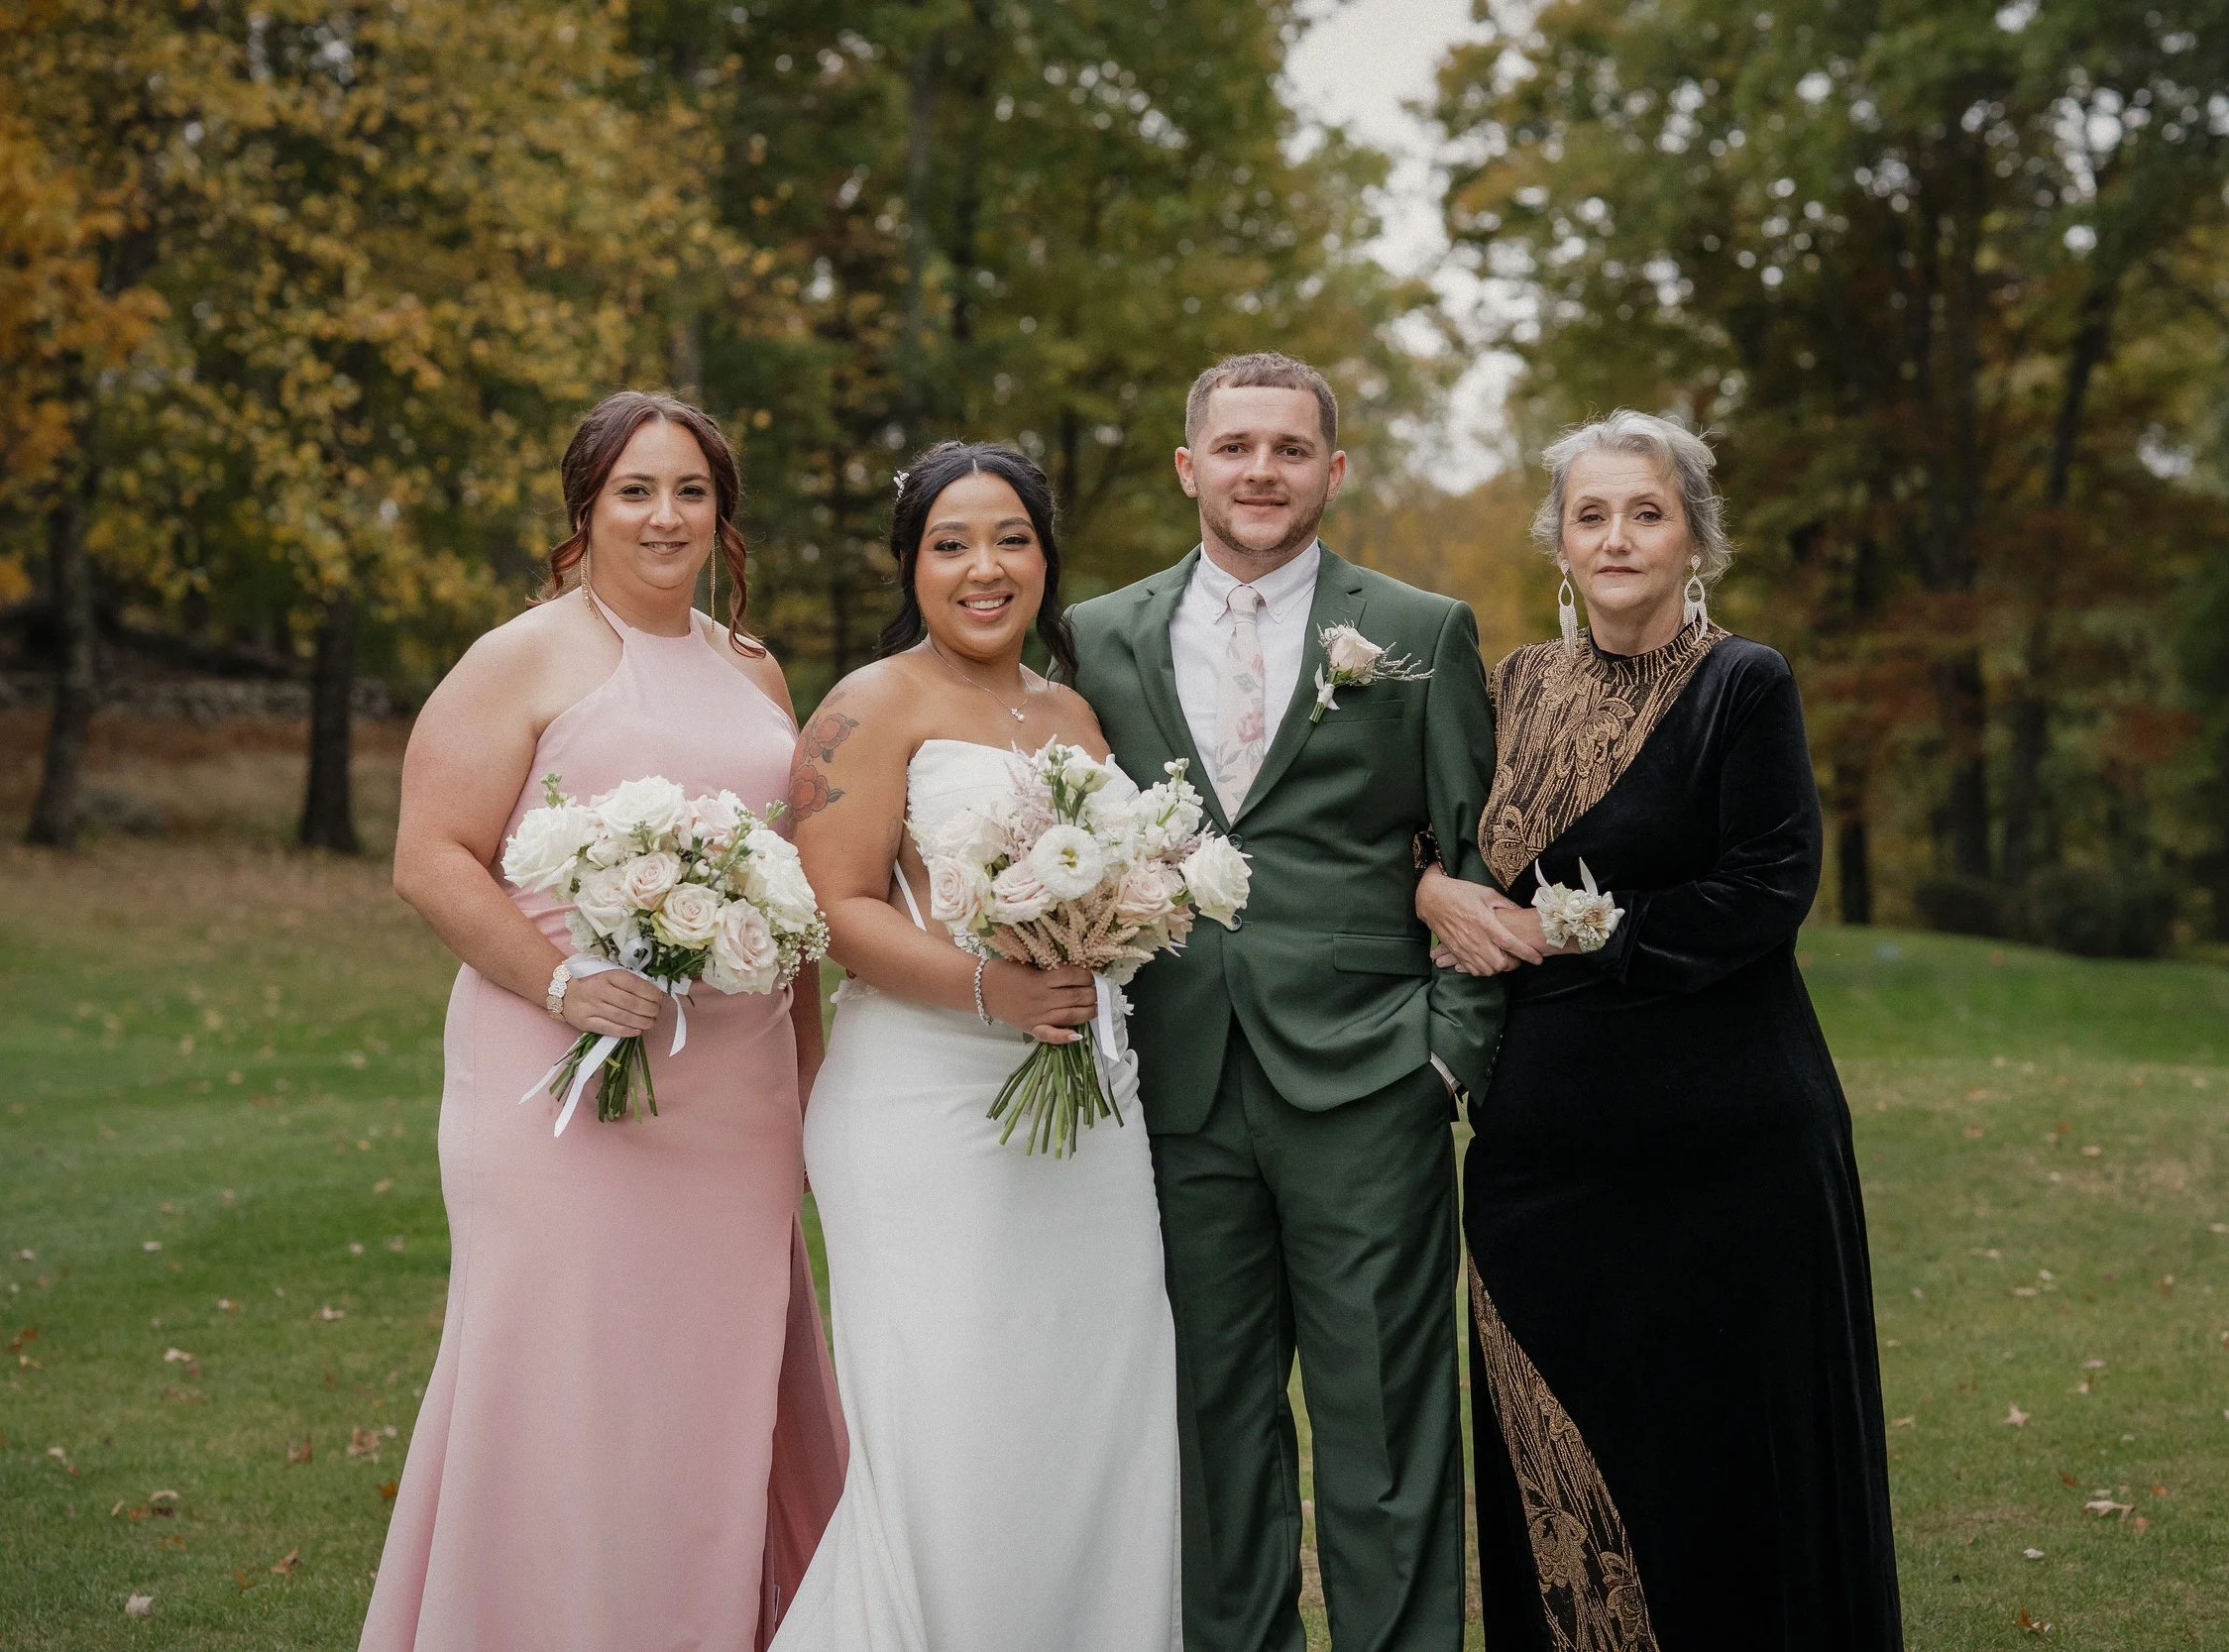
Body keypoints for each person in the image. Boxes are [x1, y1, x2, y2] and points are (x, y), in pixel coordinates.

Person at [368, 390, 846, 1651]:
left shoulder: (756, 671)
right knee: (563, 1384)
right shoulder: (519, 655)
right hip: (556, 1083)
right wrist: (560, 982)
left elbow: (790, 898)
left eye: (691, 490)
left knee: (711, 1393)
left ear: (722, 515)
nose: (665, 514)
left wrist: (811, 1091)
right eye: (635, 489)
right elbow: (431, 857)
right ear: (585, 508)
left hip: (736, 1102)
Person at [1416, 410, 1903, 1650]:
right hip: (1542, 1161)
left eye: (1647, 512)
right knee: (1561, 1460)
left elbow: (1765, 888)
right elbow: (1431, 840)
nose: (1618, 535)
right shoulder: (1512, 686)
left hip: (1726, 1150)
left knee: (1728, 1472)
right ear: (1559, 545)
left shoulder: (1746, 682)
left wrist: (1576, 932)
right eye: (1592, 514)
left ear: (1694, 539)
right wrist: (1430, 889)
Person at [1067, 353, 1505, 1652]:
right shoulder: (1099, 636)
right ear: (1190, 465)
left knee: (1386, 1424)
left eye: (1292, 448)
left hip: (1371, 1077)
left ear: (1335, 469)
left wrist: (1448, 1059)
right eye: (1239, 446)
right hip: (1173, 1080)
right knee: (1210, 1423)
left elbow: (1476, 845)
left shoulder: (1422, 632)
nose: (1264, 470)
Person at [768, 441, 1181, 1651]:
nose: (983, 567)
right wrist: (990, 986)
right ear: (913, 564)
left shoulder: (1073, 710)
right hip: (924, 1109)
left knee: (1088, 1417)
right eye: (951, 543)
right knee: (953, 1425)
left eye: (1011, 537)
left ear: (1046, 557)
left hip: (1087, 1111)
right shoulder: (869, 701)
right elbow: (836, 911)